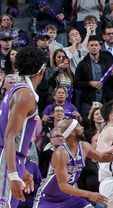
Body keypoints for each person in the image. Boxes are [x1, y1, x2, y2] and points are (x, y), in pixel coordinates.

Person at [35, 117, 113, 208]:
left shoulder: (84, 146)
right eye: (78, 126)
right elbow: (63, 186)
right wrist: (89, 194)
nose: (82, 127)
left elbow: (102, 157)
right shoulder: (61, 153)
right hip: (48, 197)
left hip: (68, 197)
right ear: (73, 132)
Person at [0, 47, 47, 207]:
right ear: (41, 71)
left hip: (11, 158)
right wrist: (13, 173)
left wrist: (22, 170)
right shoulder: (25, 94)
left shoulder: (15, 89)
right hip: (7, 158)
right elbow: (9, 136)